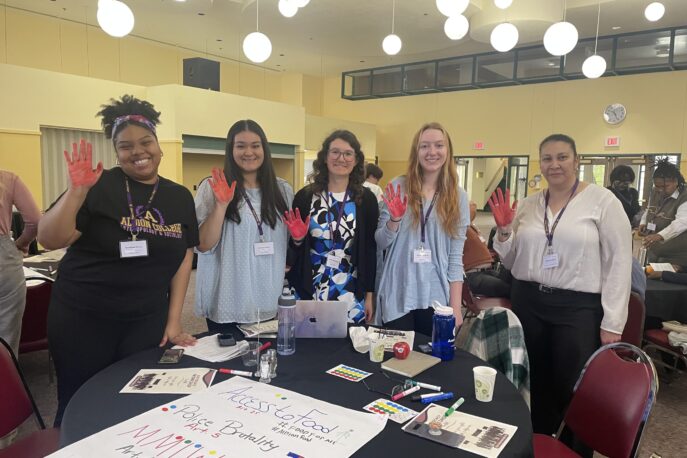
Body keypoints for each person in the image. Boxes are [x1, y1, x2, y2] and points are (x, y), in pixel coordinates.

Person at [38, 95, 199, 425]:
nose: (138, 152)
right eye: (126, 146)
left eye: (145, 142)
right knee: (79, 401)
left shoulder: (179, 196)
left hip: (145, 319)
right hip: (84, 317)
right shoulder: (98, 185)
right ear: (116, 151)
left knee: (136, 398)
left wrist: (174, 319)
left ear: (159, 145)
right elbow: (49, 238)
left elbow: (183, 257)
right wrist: (76, 192)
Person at [490, 134, 631, 439]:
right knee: (533, 381)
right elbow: (513, 262)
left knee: (573, 386)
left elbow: (619, 262)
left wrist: (613, 322)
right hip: (529, 300)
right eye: (547, 159)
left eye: (562, 157)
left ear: (577, 160)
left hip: (578, 308)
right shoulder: (528, 205)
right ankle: (537, 443)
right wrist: (503, 232)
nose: (554, 165)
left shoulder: (603, 202)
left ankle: (574, 450)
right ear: (540, 164)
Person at [194, 120, 293, 334]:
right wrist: (221, 205)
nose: (249, 152)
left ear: (264, 149)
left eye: (255, 145)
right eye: (240, 146)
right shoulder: (212, 188)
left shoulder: (282, 190)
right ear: (231, 150)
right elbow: (202, 245)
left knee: (267, 361)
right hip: (226, 300)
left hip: (268, 297)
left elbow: (289, 240)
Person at [375, 122, 469, 336]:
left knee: (432, 362)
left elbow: (456, 257)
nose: (432, 152)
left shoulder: (458, 196)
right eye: (424, 146)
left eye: (439, 145)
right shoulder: (398, 186)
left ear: (448, 151)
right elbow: (380, 242)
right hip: (398, 292)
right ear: (416, 152)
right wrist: (395, 220)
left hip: (435, 294)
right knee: (396, 362)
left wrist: (456, 307)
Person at [284, 130, 378, 324]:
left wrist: (369, 294)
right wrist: (297, 240)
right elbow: (293, 249)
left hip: (349, 288)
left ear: (356, 159)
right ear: (325, 157)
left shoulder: (366, 200)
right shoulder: (305, 197)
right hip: (309, 285)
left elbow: (370, 250)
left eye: (348, 153)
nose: (341, 158)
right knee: (309, 348)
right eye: (335, 152)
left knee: (346, 348)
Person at [0, 171, 41, 356]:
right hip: (4, 259)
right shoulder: (7, 179)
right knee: (6, 338)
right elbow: (35, 221)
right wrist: (20, 244)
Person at [640, 159, 687, 266]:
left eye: (665, 186)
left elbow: (682, 222)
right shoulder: (654, 191)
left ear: (675, 181)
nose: (660, 190)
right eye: (657, 186)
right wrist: (643, 222)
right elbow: (649, 208)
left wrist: (660, 235)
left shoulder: (684, 196)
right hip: (654, 250)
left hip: (676, 256)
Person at [463, 201, 511, 298]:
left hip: (486, 271)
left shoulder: (471, 226)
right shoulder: (459, 228)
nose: (473, 209)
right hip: (474, 275)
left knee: (515, 282)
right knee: (508, 289)